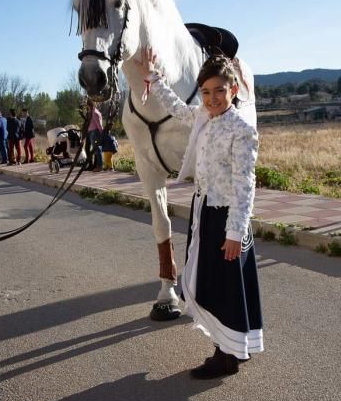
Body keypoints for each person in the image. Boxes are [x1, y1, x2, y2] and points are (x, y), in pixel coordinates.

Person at [135, 49, 263, 378]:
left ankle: (226, 357)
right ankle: (232, 349)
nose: (211, 98)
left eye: (219, 90)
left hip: (226, 217)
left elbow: (245, 185)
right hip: (204, 210)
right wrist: (154, 77)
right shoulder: (204, 117)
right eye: (206, 92)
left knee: (225, 286)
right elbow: (177, 108)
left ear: (233, 90)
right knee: (212, 281)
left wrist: (235, 232)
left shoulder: (241, 129)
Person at [87, 99, 104, 172]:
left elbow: (99, 124)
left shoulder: (94, 113)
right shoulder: (93, 112)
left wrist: (101, 132)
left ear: (89, 105)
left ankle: (100, 166)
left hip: (94, 132)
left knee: (97, 149)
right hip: (92, 132)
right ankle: (98, 166)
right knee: (96, 150)